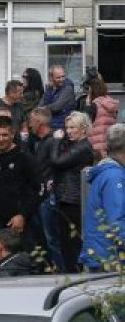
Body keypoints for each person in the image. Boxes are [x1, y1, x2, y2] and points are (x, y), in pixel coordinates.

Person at [0, 116, 40, 260]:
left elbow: (38, 189)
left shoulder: (24, 157)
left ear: (12, 134)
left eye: (4, 135)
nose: (1, 139)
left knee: (15, 262)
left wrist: (23, 214)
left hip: (15, 223)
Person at [50, 111, 96, 272]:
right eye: (67, 127)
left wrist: (56, 140)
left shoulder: (83, 147)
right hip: (66, 198)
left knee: (72, 244)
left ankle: (75, 274)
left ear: (83, 129)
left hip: (73, 201)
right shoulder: (74, 145)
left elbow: (57, 161)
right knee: (65, 243)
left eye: (73, 127)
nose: (69, 131)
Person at [81, 124, 125, 272]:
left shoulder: (108, 174)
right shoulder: (114, 177)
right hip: (110, 259)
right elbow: (117, 222)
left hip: (104, 256)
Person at [28, 107, 64, 272]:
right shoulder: (39, 141)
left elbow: (57, 165)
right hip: (39, 196)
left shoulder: (52, 142)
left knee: (52, 238)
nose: (29, 124)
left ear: (39, 122)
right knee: (43, 236)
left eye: (31, 121)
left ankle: (63, 272)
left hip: (48, 197)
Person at [85, 75, 120, 158]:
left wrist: (87, 105)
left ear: (92, 91)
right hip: (108, 146)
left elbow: (85, 125)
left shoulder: (93, 106)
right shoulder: (111, 103)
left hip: (95, 148)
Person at [41, 65, 77, 130]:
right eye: (58, 77)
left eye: (63, 76)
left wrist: (42, 109)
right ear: (51, 78)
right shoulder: (50, 88)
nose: (61, 79)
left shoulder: (68, 89)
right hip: (50, 125)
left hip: (62, 127)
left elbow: (56, 107)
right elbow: (42, 103)